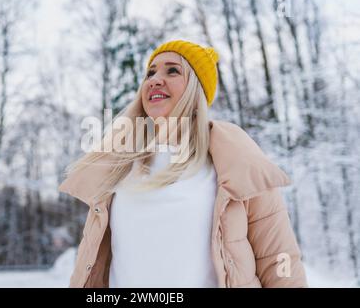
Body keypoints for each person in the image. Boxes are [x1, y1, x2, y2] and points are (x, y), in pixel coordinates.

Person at [58, 40, 308, 288]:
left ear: (195, 90)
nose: (155, 79)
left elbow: (279, 262)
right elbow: (88, 268)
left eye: (173, 70)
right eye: (150, 73)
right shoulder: (118, 165)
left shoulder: (237, 162)